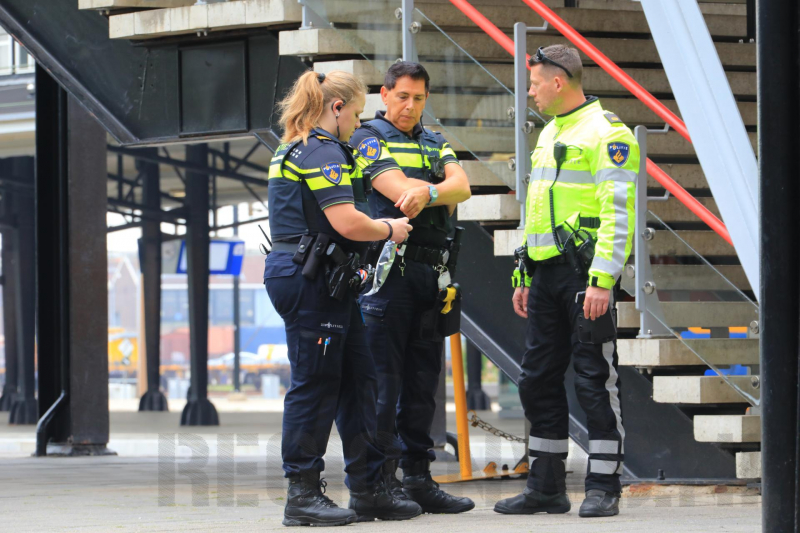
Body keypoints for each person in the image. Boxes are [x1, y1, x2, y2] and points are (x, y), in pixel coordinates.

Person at [264, 69, 421, 526]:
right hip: (310, 278)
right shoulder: (321, 150)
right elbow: (348, 221)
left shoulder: (301, 145)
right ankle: (303, 494)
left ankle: (370, 489)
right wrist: (390, 229)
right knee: (315, 385)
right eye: (355, 112)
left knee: (360, 381)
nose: (358, 121)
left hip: (324, 277)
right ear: (336, 108)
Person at [493, 45, 637, 518]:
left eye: (534, 84)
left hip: (583, 278)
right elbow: (537, 211)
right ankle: (546, 486)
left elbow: (619, 213)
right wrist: (524, 273)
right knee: (536, 380)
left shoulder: (607, 133)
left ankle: (604, 486)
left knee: (594, 380)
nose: (529, 92)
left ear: (559, 81)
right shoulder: (550, 131)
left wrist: (602, 281)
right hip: (545, 277)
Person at [349, 61, 474, 514]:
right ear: (385, 94)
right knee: (384, 383)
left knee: (423, 382)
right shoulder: (366, 137)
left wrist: (433, 193)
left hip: (430, 274)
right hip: (387, 275)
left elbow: (462, 186)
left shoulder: (434, 139)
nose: (410, 106)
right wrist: (430, 187)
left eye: (418, 98)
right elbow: (398, 190)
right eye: (402, 96)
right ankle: (381, 481)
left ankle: (418, 479)